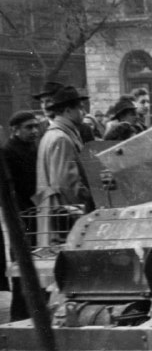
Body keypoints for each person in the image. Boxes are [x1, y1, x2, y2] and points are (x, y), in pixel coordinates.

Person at [34, 86, 95, 246]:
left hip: (55, 213)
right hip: (64, 219)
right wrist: (90, 197)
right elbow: (68, 184)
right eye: (80, 108)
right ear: (68, 111)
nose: (83, 112)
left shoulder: (54, 134)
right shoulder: (61, 138)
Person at [3, 111, 42, 319]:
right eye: (29, 127)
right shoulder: (7, 152)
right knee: (22, 265)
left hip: (35, 214)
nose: (34, 131)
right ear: (15, 130)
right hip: (21, 216)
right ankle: (19, 315)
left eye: (36, 126)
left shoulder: (33, 148)